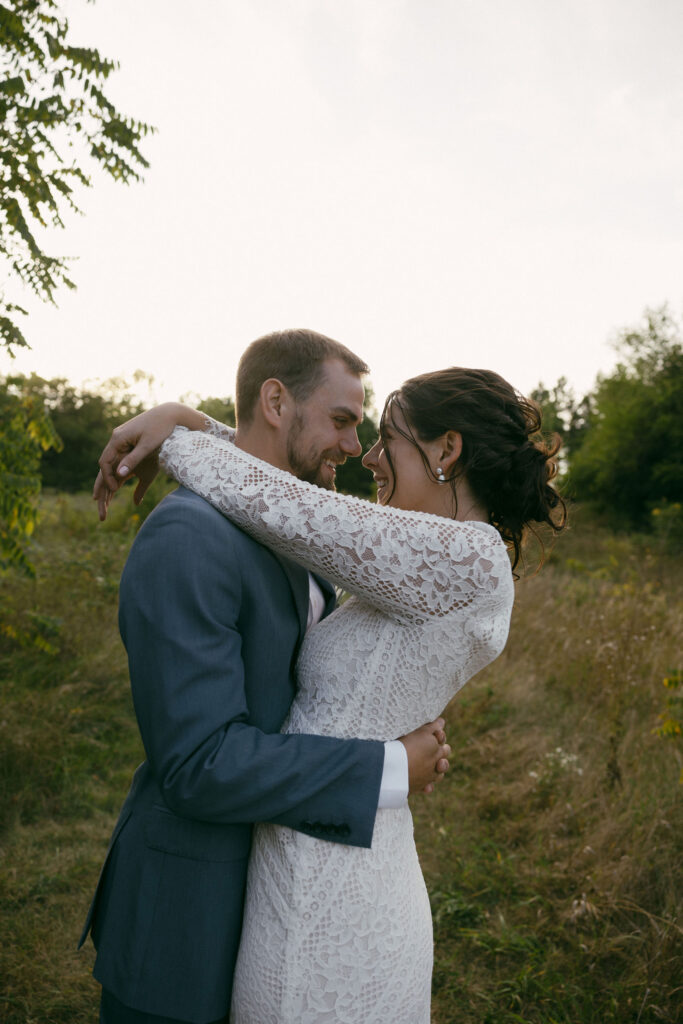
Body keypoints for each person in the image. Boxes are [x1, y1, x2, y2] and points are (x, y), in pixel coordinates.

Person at [94, 353, 566, 1023]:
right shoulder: (408, 555)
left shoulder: (465, 554)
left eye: (384, 438)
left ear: (447, 450)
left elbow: (287, 505)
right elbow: (292, 504)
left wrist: (177, 430)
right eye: (350, 427)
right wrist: (189, 422)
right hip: (314, 850)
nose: (366, 456)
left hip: (335, 880)